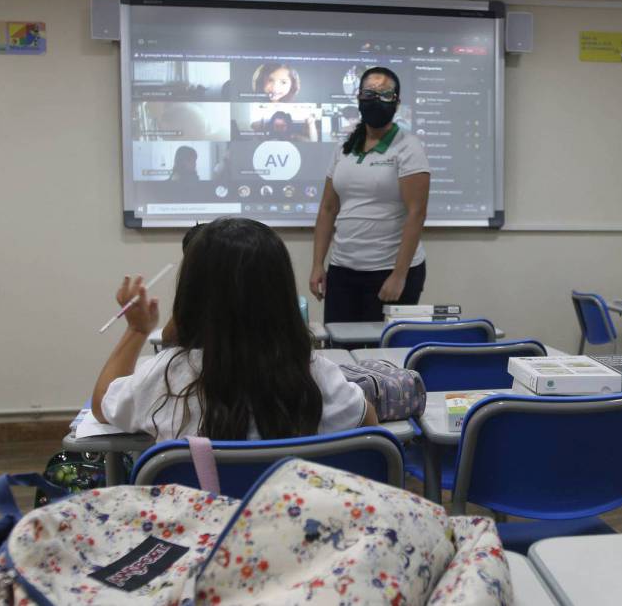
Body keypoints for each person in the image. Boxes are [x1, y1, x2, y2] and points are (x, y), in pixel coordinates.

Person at [91, 218, 378, 441]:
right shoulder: (312, 372)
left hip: (200, 516)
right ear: (281, 297)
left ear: (191, 295)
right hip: (292, 515)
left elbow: (102, 405)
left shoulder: (167, 376)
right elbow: (368, 423)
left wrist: (137, 331)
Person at [309, 67, 431, 322]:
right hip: (343, 269)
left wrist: (400, 275)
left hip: (389, 271)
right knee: (340, 349)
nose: (377, 99)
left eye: (385, 94)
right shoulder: (344, 148)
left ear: (396, 102)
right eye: (370, 93)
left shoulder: (408, 147)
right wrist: (318, 264)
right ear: (359, 98)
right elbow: (328, 209)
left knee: (383, 355)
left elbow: (416, 213)